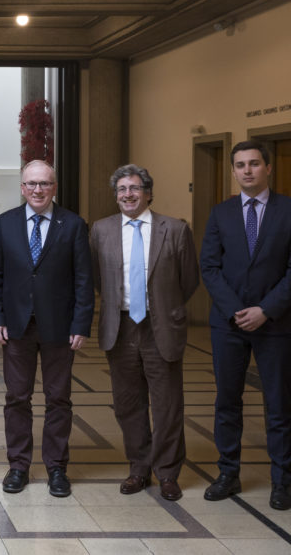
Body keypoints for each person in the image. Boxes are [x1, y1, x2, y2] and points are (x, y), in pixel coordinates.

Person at [200, 140, 291, 511]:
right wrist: (236, 310)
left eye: (253, 163)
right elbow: (210, 268)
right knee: (227, 402)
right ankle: (228, 474)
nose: (246, 170)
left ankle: (282, 482)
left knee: (278, 405)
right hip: (229, 325)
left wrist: (265, 309)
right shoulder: (220, 213)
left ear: (268, 168)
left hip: (275, 324)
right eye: (240, 165)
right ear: (233, 171)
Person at [90, 164, 198, 501]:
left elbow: (189, 280)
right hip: (120, 327)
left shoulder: (175, 229)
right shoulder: (101, 230)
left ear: (148, 193)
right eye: (121, 189)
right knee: (127, 404)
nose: (128, 195)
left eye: (134, 188)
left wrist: (164, 306)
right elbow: (97, 279)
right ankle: (139, 467)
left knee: (166, 404)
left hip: (160, 325)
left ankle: (167, 472)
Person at [0, 159, 93, 498]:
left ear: (54, 187)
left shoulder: (73, 225)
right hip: (16, 326)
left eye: (44, 183)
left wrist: (81, 323)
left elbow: (83, 279)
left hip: (59, 327)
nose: (37, 189)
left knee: (59, 399)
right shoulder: (5, 224)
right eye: (30, 183)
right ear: (22, 188)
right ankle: (18, 465)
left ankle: (56, 468)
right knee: (17, 398)